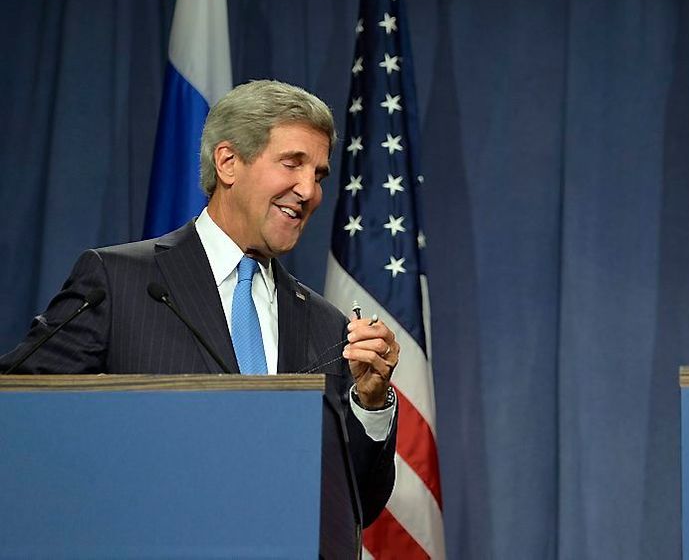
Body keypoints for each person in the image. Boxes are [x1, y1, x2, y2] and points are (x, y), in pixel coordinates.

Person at [0, 79, 399, 556]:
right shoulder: (120, 280)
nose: (309, 190)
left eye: (319, 174)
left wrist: (372, 406)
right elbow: (20, 417)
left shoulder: (324, 323)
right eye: (292, 164)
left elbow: (356, 505)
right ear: (228, 162)